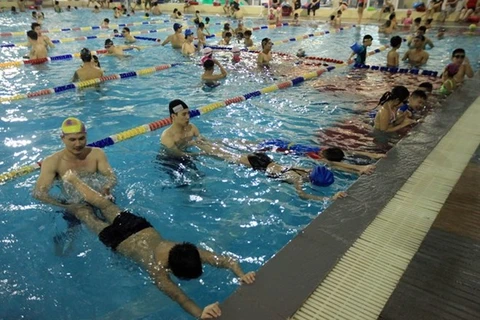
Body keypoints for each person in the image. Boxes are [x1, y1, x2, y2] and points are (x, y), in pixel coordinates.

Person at [61, 169, 255, 319]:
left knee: (106, 205)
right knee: (88, 217)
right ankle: (68, 206)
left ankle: (74, 180)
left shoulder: (188, 250)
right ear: (172, 268)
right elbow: (181, 298)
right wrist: (200, 313)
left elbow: (227, 261)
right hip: (118, 242)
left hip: (138, 227)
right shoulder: (158, 271)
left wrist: (242, 274)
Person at [194, 140, 347, 201]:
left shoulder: (305, 170)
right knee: (222, 155)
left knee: (228, 151)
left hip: (265, 159)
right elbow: (303, 195)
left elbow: (327, 166)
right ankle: (198, 144)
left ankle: (203, 141)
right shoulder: (297, 179)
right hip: (260, 165)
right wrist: (328, 198)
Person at [34, 117, 116, 212]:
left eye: (81, 138)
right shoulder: (52, 162)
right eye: (72, 140)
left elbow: (111, 176)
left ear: (86, 136)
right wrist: (66, 206)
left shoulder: (97, 154)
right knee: (86, 215)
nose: (78, 144)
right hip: (76, 205)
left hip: (100, 197)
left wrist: (107, 186)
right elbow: (39, 193)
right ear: (63, 138)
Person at [229, 139, 382, 175]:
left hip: (279, 143)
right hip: (276, 146)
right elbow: (339, 162)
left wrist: (360, 167)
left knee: (246, 145)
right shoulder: (318, 154)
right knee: (247, 147)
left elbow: (342, 158)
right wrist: (361, 166)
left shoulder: (319, 151)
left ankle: (217, 142)